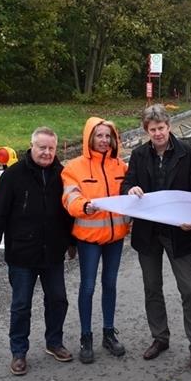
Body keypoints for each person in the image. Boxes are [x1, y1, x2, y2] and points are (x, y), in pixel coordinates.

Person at [120, 104, 191, 373]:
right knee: (152, 288)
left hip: (177, 233)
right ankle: (160, 338)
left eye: (161, 128)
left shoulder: (188, 154)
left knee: (189, 289)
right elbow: (127, 185)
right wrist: (130, 188)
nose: (157, 133)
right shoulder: (138, 155)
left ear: (168, 127)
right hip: (148, 233)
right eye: (152, 129)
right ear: (147, 131)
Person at [0, 126, 75, 377]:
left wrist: (71, 243)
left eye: (51, 148)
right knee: (21, 305)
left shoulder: (63, 174)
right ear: (32, 146)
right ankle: (19, 352)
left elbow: (68, 213)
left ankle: (54, 343)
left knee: (58, 300)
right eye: (42, 147)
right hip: (22, 253)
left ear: (56, 149)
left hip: (52, 252)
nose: (46, 152)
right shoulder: (13, 175)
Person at [61, 117, 130, 364]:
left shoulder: (121, 166)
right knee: (88, 287)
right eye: (99, 135)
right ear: (89, 138)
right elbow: (70, 198)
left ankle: (108, 334)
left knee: (110, 285)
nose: (103, 140)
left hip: (115, 238)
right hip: (88, 238)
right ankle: (86, 336)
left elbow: (130, 194)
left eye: (107, 136)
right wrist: (84, 206)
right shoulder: (74, 167)